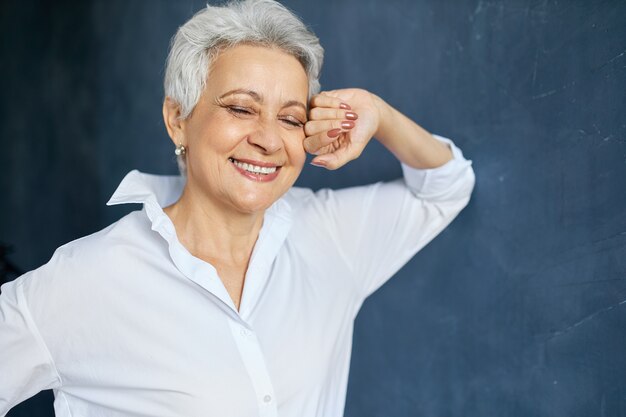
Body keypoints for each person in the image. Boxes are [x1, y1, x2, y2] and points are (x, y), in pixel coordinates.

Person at [0, 0, 475, 416]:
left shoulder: (329, 234)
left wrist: (376, 112)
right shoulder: (88, 278)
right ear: (177, 120)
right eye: (241, 109)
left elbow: (446, 185)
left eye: (290, 118)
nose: (268, 139)